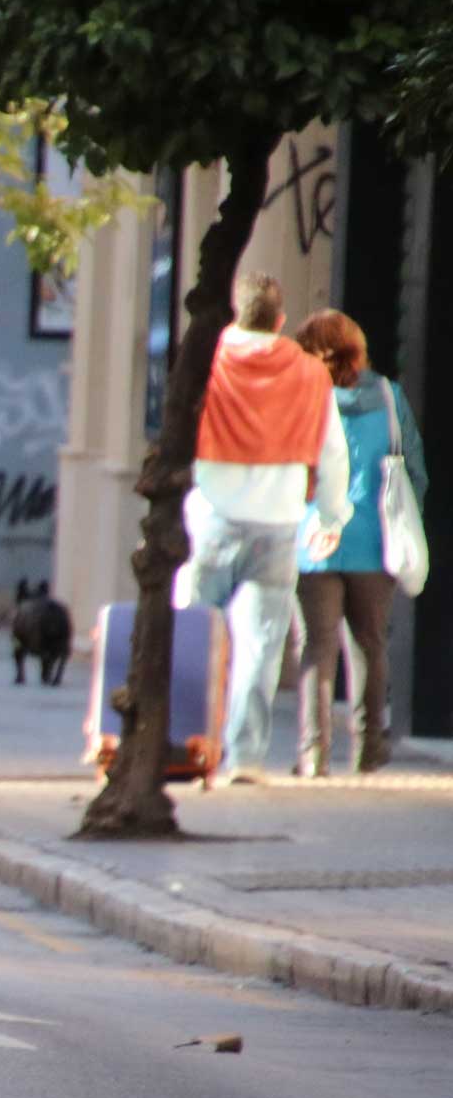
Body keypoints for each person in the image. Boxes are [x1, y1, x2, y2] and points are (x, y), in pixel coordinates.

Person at [189, 274, 351, 783]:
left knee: (196, 632)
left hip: (214, 513)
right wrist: (330, 515)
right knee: (260, 646)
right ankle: (247, 757)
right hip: (280, 523)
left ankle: (188, 742)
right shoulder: (309, 374)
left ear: (236, 312)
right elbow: (332, 453)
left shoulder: (209, 361)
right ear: (280, 321)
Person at [290, 309, 414, 776]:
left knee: (315, 648)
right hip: (371, 539)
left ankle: (312, 754)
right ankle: (368, 749)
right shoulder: (389, 397)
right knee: (369, 644)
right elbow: (412, 467)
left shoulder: (302, 402)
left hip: (314, 538)